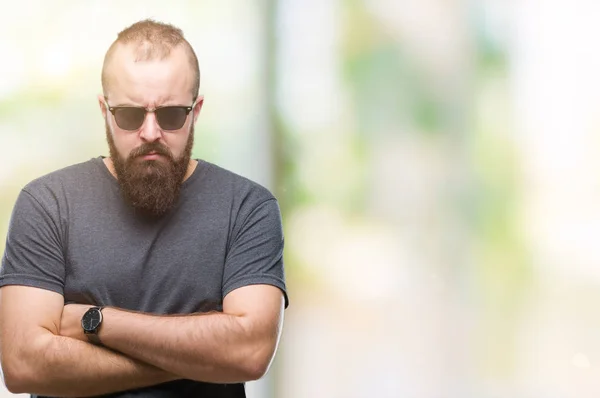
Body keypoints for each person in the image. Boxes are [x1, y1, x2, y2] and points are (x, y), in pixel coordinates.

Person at [0, 19, 288, 398]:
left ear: (196, 111)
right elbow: (23, 366)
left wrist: (96, 323)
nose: (150, 132)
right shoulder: (47, 205)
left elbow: (249, 352)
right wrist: (198, 359)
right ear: (104, 110)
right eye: (130, 115)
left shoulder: (248, 208)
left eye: (170, 115)